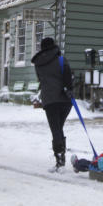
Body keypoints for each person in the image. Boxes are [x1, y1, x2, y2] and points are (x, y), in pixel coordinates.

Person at [31, 36, 74, 169]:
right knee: (59, 128)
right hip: (65, 100)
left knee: (56, 129)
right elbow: (68, 76)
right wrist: (69, 89)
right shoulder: (61, 59)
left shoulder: (38, 63)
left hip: (50, 100)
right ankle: (61, 156)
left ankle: (60, 159)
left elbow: (40, 80)